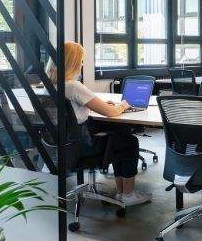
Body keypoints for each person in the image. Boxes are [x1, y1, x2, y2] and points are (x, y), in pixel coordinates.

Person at [49, 42, 152, 206]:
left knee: (119, 135)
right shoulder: (73, 86)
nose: (82, 65)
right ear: (72, 63)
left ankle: (121, 192)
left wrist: (100, 105)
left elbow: (72, 111)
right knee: (129, 141)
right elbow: (111, 113)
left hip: (60, 146)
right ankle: (128, 195)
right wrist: (123, 105)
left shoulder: (47, 86)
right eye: (80, 61)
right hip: (82, 147)